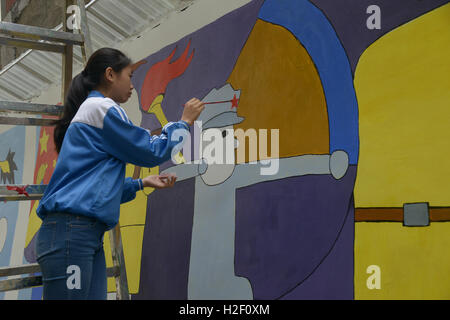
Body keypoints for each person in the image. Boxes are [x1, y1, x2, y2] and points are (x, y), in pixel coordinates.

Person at [34, 47, 205, 300]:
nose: (132, 85)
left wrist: (140, 183)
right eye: (130, 75)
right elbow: (151, 151)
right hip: (73, 234)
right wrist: (184, 123)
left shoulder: (94, 111)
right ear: (110, 74)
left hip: (80, 234)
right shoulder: (102, 109)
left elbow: (95, 187)